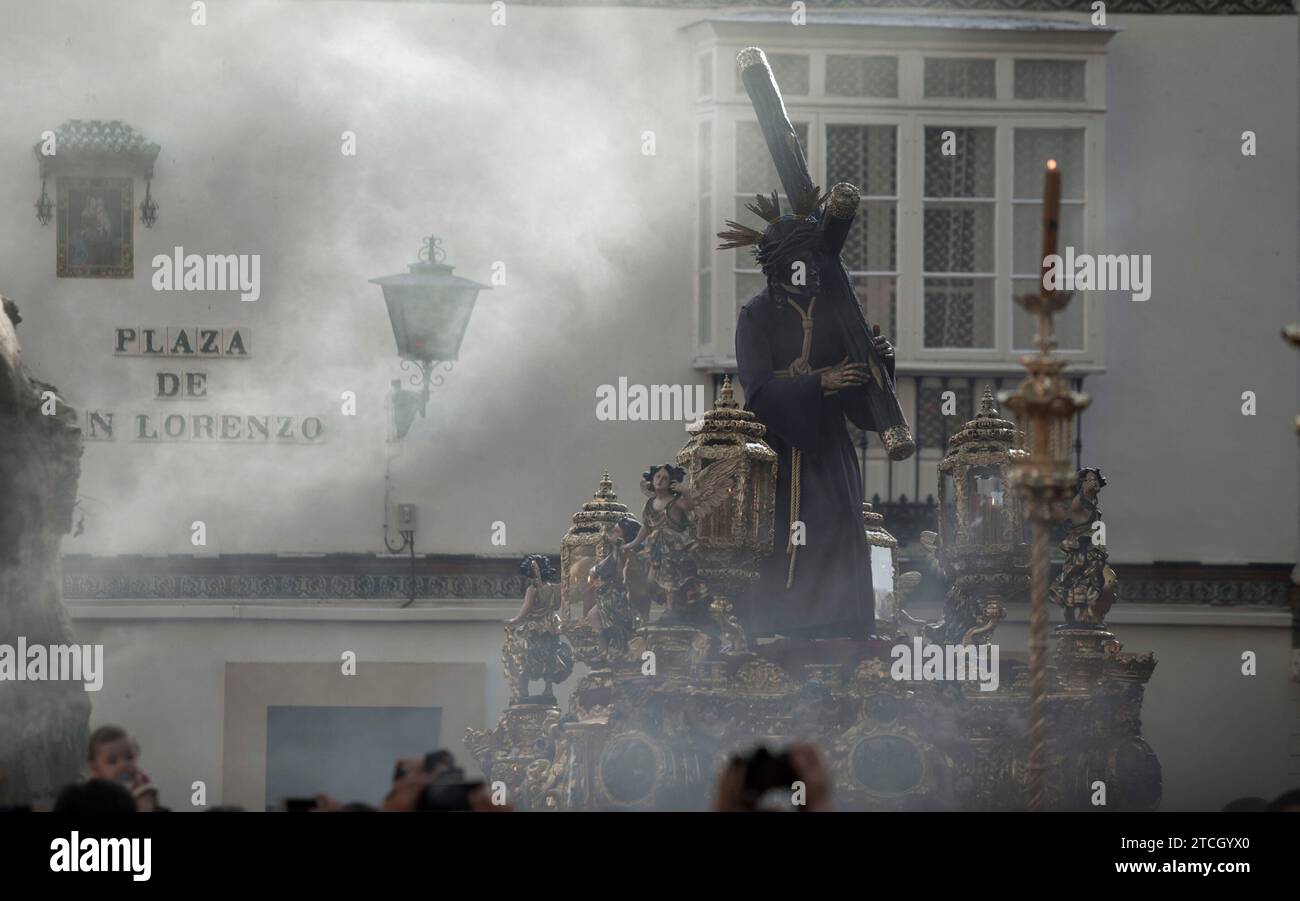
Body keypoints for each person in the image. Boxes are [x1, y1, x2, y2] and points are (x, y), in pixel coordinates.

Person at [86, 724, 166, 812]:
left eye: (129, 757)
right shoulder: (93, 796)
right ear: (96, 769)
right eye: (112, 761)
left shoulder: (142, 787)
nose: (123, 765)